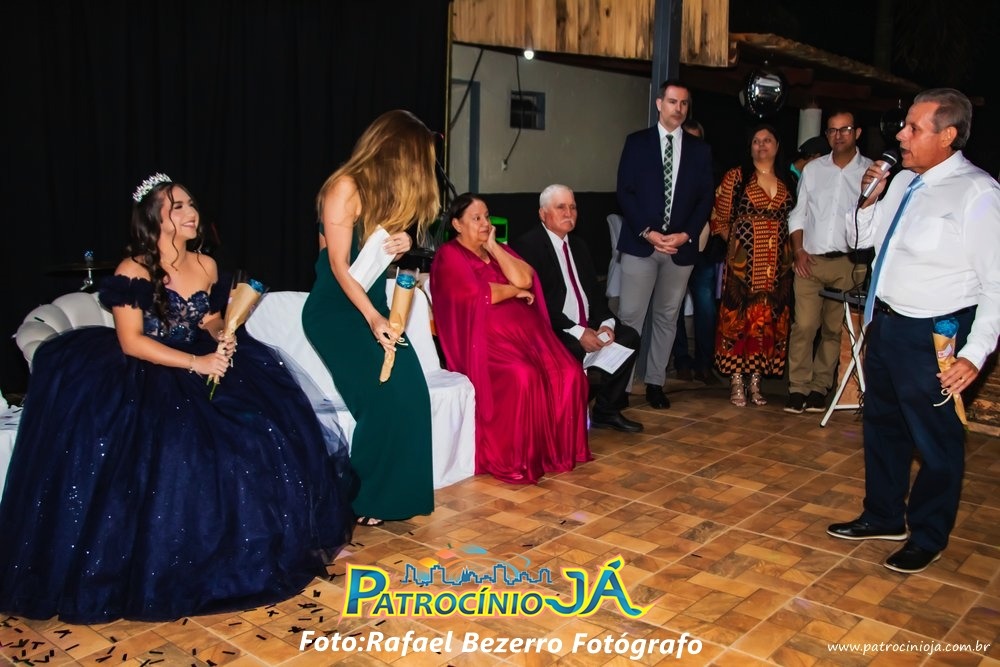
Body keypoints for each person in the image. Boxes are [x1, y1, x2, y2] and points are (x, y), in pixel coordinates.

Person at [0, 174, 355, 623]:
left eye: (192, 205)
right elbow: (131, 342)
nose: (191, 214)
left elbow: (208, 319)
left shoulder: (206, 264)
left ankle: (278, 545)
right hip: (148, 370)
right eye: (178, 207)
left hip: (203, 361)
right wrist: (196, 363)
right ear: (155, 217)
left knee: (268, 430)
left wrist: (223, 332)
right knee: (181, 451)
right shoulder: (134, 270)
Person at [827, 88, 1000, 574]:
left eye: (913, 128)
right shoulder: (903, 182)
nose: (900, 136)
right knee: (883, 426)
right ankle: (883, 515)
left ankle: (927, 534)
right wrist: (868, 199)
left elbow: (996, 283)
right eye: (904, 126)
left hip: (934, 335)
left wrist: (974, 353)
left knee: (936, 440)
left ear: (947, 136)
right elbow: (859, 240)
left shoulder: (978, 193)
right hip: (886, 324)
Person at [303, 109, 436, 526]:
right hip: (337, 314)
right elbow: (338, 266)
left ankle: (392, 497)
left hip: (371, 307)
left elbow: (374, 261)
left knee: (410, 393)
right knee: (381, 400)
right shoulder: (344, 187)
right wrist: (374, 319)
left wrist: (402, 243)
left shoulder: (385, 197)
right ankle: (362, 499)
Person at [430, 193, 591, 484]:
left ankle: (553, 453)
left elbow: (525, 279)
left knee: (569, 373)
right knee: (523, 376)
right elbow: (479, 294)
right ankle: (519, 459)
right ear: (457, 224)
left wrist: (493, 247)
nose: (485, 223)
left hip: (528, 338)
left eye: (486, 216)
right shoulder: (449, 255)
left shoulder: (500, 249)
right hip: (485, 342)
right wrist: (513, 292)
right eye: (476, 218)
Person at [616, 79, 715, 409]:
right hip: (641, 243)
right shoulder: (637, 142)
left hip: (679, 248)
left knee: (667, 318)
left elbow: (705, 198)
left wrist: (686, 234)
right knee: (630, 317)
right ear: (659, 104)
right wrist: (647, 231)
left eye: (684, 103)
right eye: (673, 102)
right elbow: (624, 191)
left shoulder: (699, 150)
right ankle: (621, 386)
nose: (679, 108)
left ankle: (656, 383)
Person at [511, 185, 643, 433]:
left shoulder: (579, 245)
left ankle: (606, 410)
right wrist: (579, 332)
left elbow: (595, 293)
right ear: (543, 214)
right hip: (553, 328)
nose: (568, 213)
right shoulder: (528, 246)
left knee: (629, 337)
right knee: (572, 348)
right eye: (560, 207)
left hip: (585, 324)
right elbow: (538, 304)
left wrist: (606, 324)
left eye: (572, 207)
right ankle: (568, 411)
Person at [785, 110, 873, 414]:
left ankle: (819, 388)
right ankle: (797, 387)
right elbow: (798, 212)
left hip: (847, 262)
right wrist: (798, 250)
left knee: (834, 330)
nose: (838, 135)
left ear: (857, 133)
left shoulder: (870, 171)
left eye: (845, 129)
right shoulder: (813, 170)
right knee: (805, 325)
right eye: (833, 130)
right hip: (809, 259)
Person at [711, 124, 796, 406]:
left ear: (777, 145)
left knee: (769, 321)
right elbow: (719, 217)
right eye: (756, 141)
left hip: (777, 268)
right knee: (739, 320)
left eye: (767, 140)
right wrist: (739, 245)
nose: (762, 145)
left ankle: (756, 382)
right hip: (742, 269)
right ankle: (737, 381)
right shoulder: (736, 177)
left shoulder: (787, 179)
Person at [670, 118, 722, 385]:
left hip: (702, 251)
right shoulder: (668, 169)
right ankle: (681, 361)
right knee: (674, 308)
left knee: (706, 309)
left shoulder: (711, 170)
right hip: (675, 249)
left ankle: (704, 364)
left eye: (695, 140)